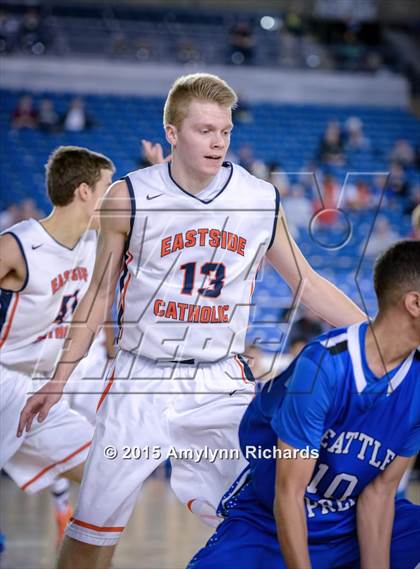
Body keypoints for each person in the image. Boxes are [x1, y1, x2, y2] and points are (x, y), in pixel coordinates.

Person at [18, 73, 365, 569]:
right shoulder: (129, 196)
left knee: (271, 512)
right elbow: (96, 298)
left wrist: (376, 341)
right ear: (172, 132)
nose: (218, 140)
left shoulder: (259, 198)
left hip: (220, 380)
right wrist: (58, 379)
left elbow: (307, 283)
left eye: (224, 130)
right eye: (204, 130)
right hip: (142, 380)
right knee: (91, 534)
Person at [188, 240, 420, 569]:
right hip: (273, 520)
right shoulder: (325, 365)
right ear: (414, 303)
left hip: (349, 523)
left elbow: (379, 494)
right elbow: (289, 493)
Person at [0, 146, 114, 541]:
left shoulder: (92, 243)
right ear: (84, 192)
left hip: (42, 390)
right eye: (107, 186)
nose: (112, 196)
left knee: (107, 476)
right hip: (4, 379)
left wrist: (161, 169)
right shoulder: (18, 246)